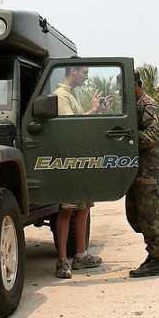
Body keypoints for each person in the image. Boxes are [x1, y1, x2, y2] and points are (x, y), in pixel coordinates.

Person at [54, 65, 110, 279]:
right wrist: (93, 110)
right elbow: (70, 126)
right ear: (74, 71)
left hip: (80, 160)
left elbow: (83, 125)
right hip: (69, 161)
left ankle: (81, 255)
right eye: (85, 73)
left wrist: (100, 113)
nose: (87, 77)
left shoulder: (73, 96)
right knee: (67, 210)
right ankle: (62, 260)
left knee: (84, 207)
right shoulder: (61, 96)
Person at [127, 70, 159, 278]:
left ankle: (156, 258)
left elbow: (153, 136)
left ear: (136, 85)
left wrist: (128, 137)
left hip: (148, 169)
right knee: (135, 215)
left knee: (150, 213)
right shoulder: (133, 106)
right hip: (136, 168)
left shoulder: (148, 105)